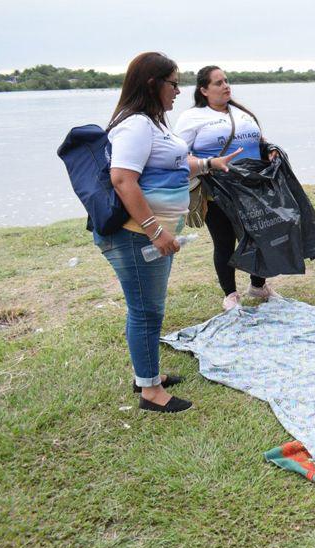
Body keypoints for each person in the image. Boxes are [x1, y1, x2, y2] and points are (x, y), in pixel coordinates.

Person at [99, 52, 240, 413]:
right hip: (135, 235)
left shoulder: (154, 123)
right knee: (146, 311)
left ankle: (148, 375)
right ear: (152, 84)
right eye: (173, 83)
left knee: (148, 308)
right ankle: (151, 394)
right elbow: (122, 179)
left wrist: (209, 163)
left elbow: (177, 159)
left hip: (147, 233)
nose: (179, 91)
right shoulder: (134, 125)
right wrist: (154, 230)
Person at [175, 66, 279, 310]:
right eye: (218, 83)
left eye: (226, 81)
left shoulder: (241, 112)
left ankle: (258, 285)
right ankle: (230, 294)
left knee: (258, 235)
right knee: (224, 242)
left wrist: (270, 149)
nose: (226, 86)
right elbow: (177, 154)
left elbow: (258, 141)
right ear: (204, 90)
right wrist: (206, 165)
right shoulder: (192, 117)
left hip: (252, 187)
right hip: (217, 191)